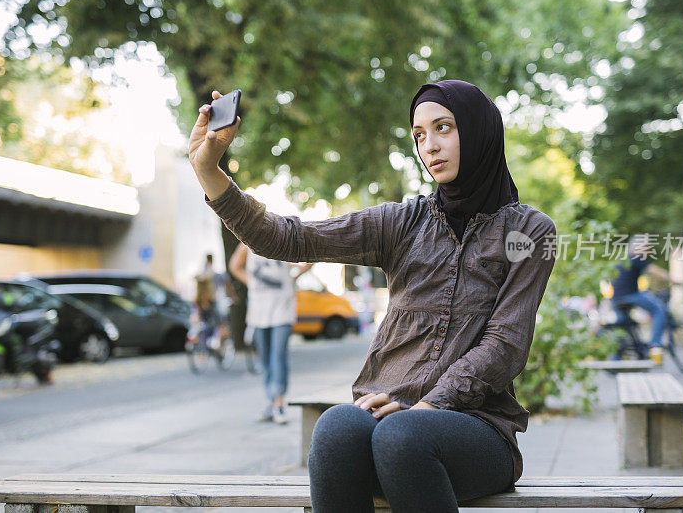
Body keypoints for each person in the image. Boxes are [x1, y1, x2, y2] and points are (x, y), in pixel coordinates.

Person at [188, 80, 556, 513]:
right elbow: (289, 239)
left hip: (475, 428)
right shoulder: (402, 222)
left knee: (403, 437)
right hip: (385, 417)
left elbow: (505, 345)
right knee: (337, 426)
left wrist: (427, 405)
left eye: (443, 128)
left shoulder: (529, 231)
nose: (430, 146)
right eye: (419, 135)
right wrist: (209, 170)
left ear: (478, 131)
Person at [229, 242, 312, 424]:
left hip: (282, 309)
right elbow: (234, 266)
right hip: (259, 311)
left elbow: (310, 260)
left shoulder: (284, 239)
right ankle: (270, 401)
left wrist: (295, 277)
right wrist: (251, 281)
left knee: (278, 355)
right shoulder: (247, 243)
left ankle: (279, 402)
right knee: (265, 357)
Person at [610, 236, 672, 364]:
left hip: (616, 298)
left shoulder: (623, 259)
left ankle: (615, 358)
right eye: (646, 247)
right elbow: (656, 271)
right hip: (630, 295)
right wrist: (673, 279)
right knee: (658, 309)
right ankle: (655, 344)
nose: (648, 250)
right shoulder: (636, 258)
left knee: (623, 326)